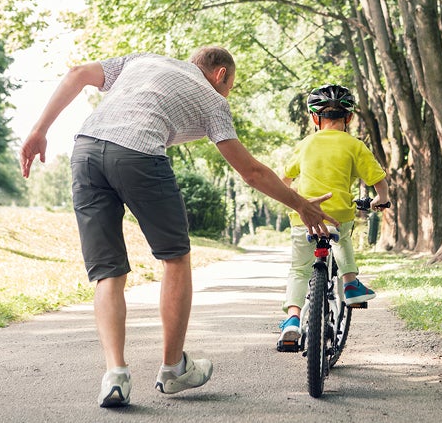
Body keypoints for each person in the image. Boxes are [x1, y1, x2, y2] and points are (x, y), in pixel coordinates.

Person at [19, 46, 339, 408]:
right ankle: (172, 369)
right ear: (221, 75)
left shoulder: (143, 60)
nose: (228, 93)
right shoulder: (213, 99)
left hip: (86, 151)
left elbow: (76, 73)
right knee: (175, 258)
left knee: (108, 271)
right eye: (231, 85)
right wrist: (301, 205)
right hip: (138, 154)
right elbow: (251, 172)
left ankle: (116, 375)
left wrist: (38, 130)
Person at [277, 84, 389, 350]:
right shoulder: (354, 145)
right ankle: (350, 284)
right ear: (348, 118)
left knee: (299, 269)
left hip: (303, 215)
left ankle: (292, 319)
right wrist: (380, 200)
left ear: (315, 118)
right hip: (338, 213)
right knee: (341, 240)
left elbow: (284, 179)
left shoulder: (306, 144)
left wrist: (295, 200)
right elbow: (378, 180)